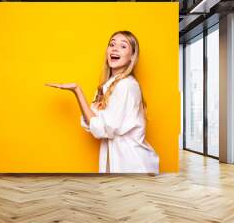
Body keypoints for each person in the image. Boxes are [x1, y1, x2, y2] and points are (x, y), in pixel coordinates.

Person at [45, 30, 159, 174]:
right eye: (112, 44)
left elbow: (102, 128)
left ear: (132, 57)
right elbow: (92, 122)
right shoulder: (109, 85)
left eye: (123, 46)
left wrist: (77, 91)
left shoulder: (126, 86)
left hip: (132, 163)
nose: (115, 48)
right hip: (121, 163)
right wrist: (76, 90)